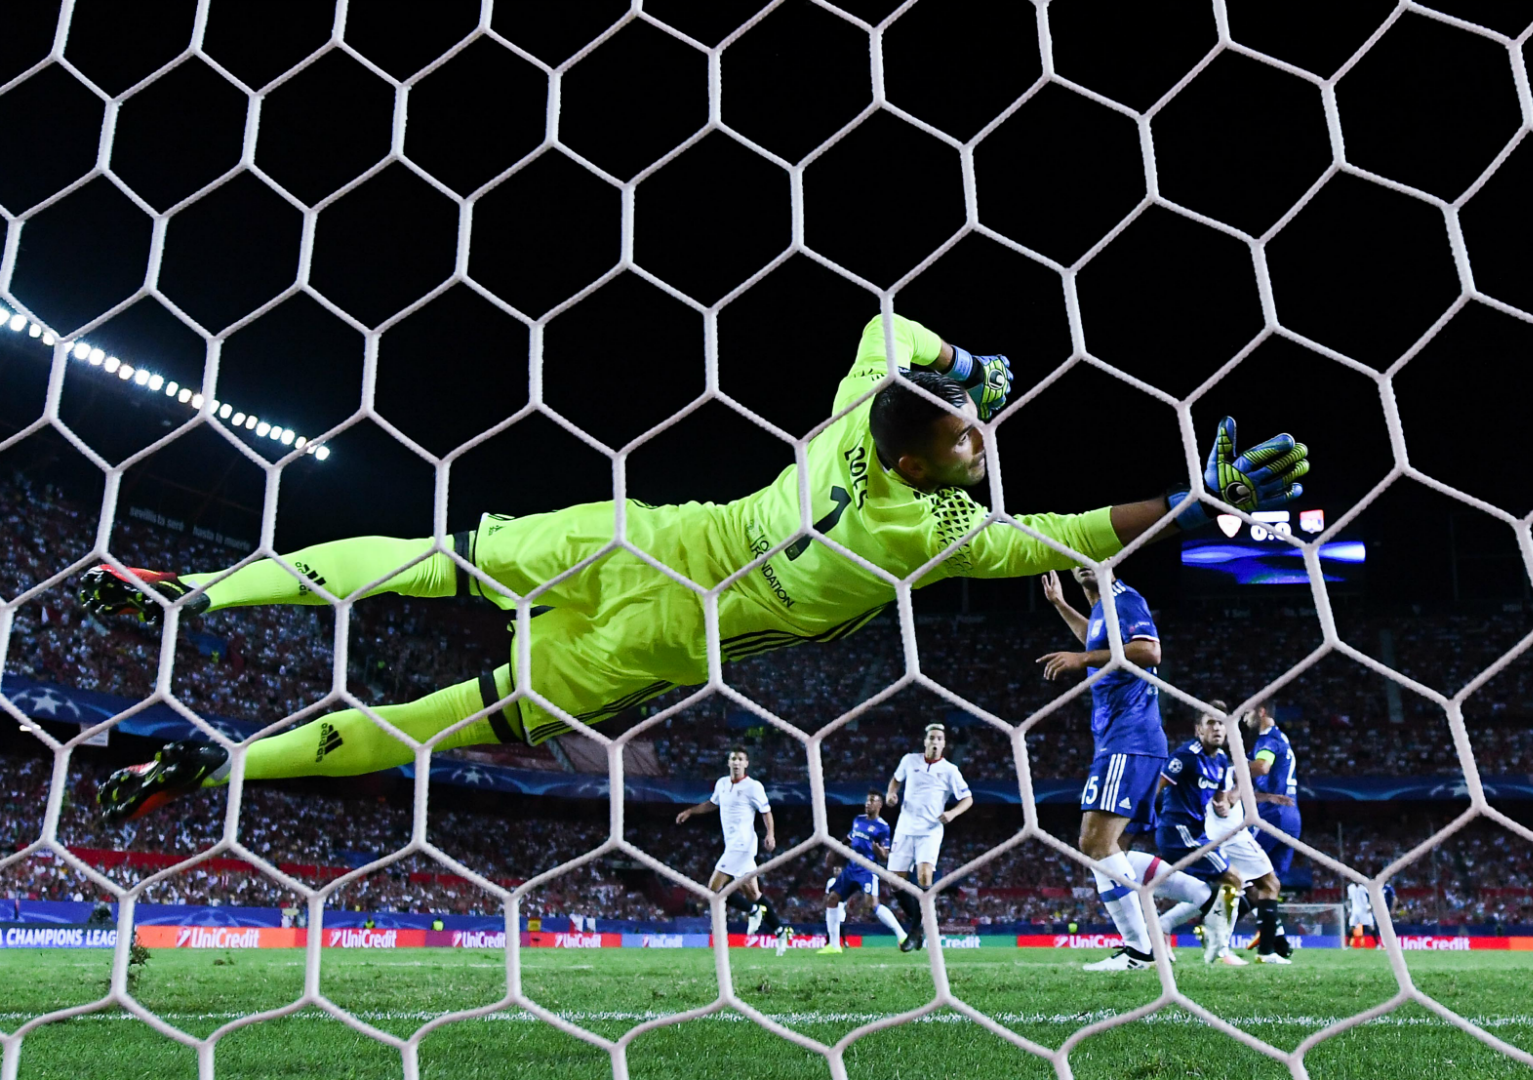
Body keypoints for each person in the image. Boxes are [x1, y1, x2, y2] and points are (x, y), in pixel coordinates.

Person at [83, 313, 1308, 823]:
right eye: (968, 432)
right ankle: (223, 752)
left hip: (643, 537)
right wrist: (1200, 502)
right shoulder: (930, 539)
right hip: (658, 641)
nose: (985, 439)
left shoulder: (854, 419)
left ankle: (197, 608)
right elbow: (1084, 532)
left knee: (432, 566)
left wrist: (960, 364)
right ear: (921, 447)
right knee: (438, 712)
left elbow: (892, 332)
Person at [1038, 568, 1170, 972]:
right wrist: (1062, 605)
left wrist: (1081, 660)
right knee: (1115, 849)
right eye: (1076, 556)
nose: (1082, 563)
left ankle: (1141, 949)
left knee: (1095, 843)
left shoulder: (1124, 600)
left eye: (1092, 556)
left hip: (1128, 740)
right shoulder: (1099, 609)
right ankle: (1156, 939)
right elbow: (1097, 641)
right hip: (1127, 740)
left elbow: (1149, 651)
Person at [675, 748, 789, 955]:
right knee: (753, 894)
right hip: (733, 846)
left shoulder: (753, 787)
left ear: (746, 764)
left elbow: (766, 811)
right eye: (733, 759)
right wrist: (691, 811)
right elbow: (712, 804)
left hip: (743, 845)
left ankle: (752, 911)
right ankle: (780, 931)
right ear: (728, 762)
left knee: (713, 889)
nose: (736, 762)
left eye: (740, 759)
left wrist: (770, 834)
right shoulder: (722, 784)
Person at [1152, 710, 1241, 964]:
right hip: (1177, 831)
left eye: (1221, 724)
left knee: (1212, 891)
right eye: (1210, 723)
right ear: (1198, 730)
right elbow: (1157, 786)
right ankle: (1220, 949)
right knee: (1234, 879)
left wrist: (1223, 805)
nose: (1217, 728)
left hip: (1197, 833)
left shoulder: (1222, 760)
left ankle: (1164, 924)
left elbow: (1220, 798)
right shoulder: (1185, 756)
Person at [885, 723, 972, 952]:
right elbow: (895, 780)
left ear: (944, 744)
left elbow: (968, 798)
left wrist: (952, 813)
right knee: (895, 883)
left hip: (930, 831)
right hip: (904, 828)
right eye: (931, 737)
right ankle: (920, 925)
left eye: (939, 738)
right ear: (925, 741)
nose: (935, 741)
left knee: (924, 878)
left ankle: (914, 932)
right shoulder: (909, 761)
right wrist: (891, 793)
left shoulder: (950, 770)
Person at [1238, 699, 1299, 964]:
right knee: (1268, 884)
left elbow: (1262, 766)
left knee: (1236, 875)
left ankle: (1210, 928)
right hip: (1290, 815)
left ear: (1261, 712)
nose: (1245, 717)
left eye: (1249, 712)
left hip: (1272, 817)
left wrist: (1230, 770)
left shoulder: (1267, 739)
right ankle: (1273, 944)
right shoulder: (1281, 738)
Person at [819, 790, 909, 953]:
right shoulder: (858, 820)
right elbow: (849, 838)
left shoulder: (883, 827)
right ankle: (834, 945)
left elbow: (885, 855)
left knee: (872, 904)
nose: (868, 803)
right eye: (867, 801)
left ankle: (902, 935)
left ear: (879, 805)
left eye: (872, 801)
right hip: (852, 867)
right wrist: (834, 850)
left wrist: (878, 851)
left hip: (867, 869)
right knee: (832, 899)